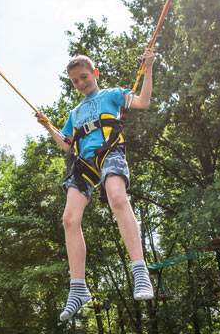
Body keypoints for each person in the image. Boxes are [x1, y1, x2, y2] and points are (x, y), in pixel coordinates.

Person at [36, 48, 155, 321]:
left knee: (116, 197)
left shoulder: (111, 94)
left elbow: (143, 101)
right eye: (75, 81)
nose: (80, 83)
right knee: (69, 219)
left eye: (84, 77)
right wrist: (49, 127)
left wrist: (147, 70)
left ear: (95, 74)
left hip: (109, 151)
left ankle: (140, 271)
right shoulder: (75, 112)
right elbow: (67, 144)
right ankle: (78, 289)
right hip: (83, 163)